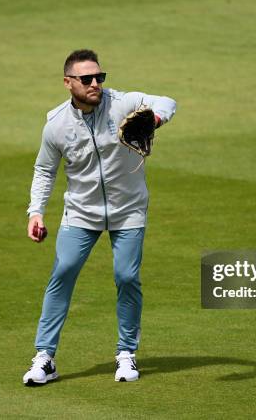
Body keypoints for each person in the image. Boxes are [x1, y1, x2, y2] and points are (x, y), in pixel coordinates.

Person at [22, 49, 176, 385]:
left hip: (128, 209)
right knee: (62, 273)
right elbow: (45, 169)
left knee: (126, 277)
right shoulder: (57, 124)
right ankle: (45, 358)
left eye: (99, 77)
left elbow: (166, 101)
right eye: (86, 79)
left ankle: (126, 355)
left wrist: (155, 119)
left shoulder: (122, 103)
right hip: (81, 211)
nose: (95, 84)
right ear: (68, 82)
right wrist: (36, 211)